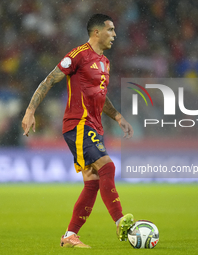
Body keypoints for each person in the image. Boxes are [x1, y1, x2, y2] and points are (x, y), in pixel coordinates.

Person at [21, 13, 134, 248]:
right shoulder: (78, 55)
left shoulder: (105, 62)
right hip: (78, 125)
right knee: (108, 166)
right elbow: (48, 81)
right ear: (96, 32)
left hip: (95, 126)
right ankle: (120, 220)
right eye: (110, 30)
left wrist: (118, 117)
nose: (114, 35)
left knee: (92, 182)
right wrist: (30, 111)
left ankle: (70, 236)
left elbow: (100, 96)